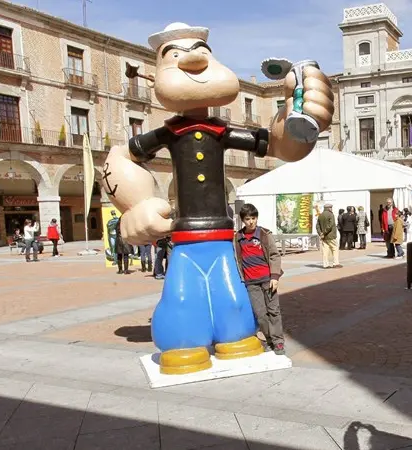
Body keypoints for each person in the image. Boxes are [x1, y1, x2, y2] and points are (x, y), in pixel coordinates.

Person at [96, 22, 333, 373]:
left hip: (221, 236)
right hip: (187, 237)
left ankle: (233, 335)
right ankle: (185, 341)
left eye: (202, 51)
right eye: (174, 55)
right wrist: (135, 204)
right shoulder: (168, 133)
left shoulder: (222, 131)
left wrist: (297, 117)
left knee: (231, 297)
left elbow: (279, 145)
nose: (193, 60)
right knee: (180, 296)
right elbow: (119, 157)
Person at [234, 203, 285, 355]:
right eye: (248, 219)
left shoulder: (264, 234)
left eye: (253, 218)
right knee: (261, 314)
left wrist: (275, 277)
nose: (251, 222)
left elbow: (275, 255)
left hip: (267, 279)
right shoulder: (237, 238)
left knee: (273, 311)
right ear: (243, 220)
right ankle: (269, 340)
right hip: (251, 282)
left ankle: (278, 342)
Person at [316, 203, 340, 269]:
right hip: (330, 235)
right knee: (334, 248)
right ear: (329, 208)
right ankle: (336, 263)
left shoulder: (320, 215)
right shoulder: (330, 214)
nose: (332, 209)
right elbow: (331, 225)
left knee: (325, 251)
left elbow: (317, 226)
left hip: (324, 237)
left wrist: (320, 233)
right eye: (331, 208)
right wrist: (324, 232)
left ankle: (325, 264)